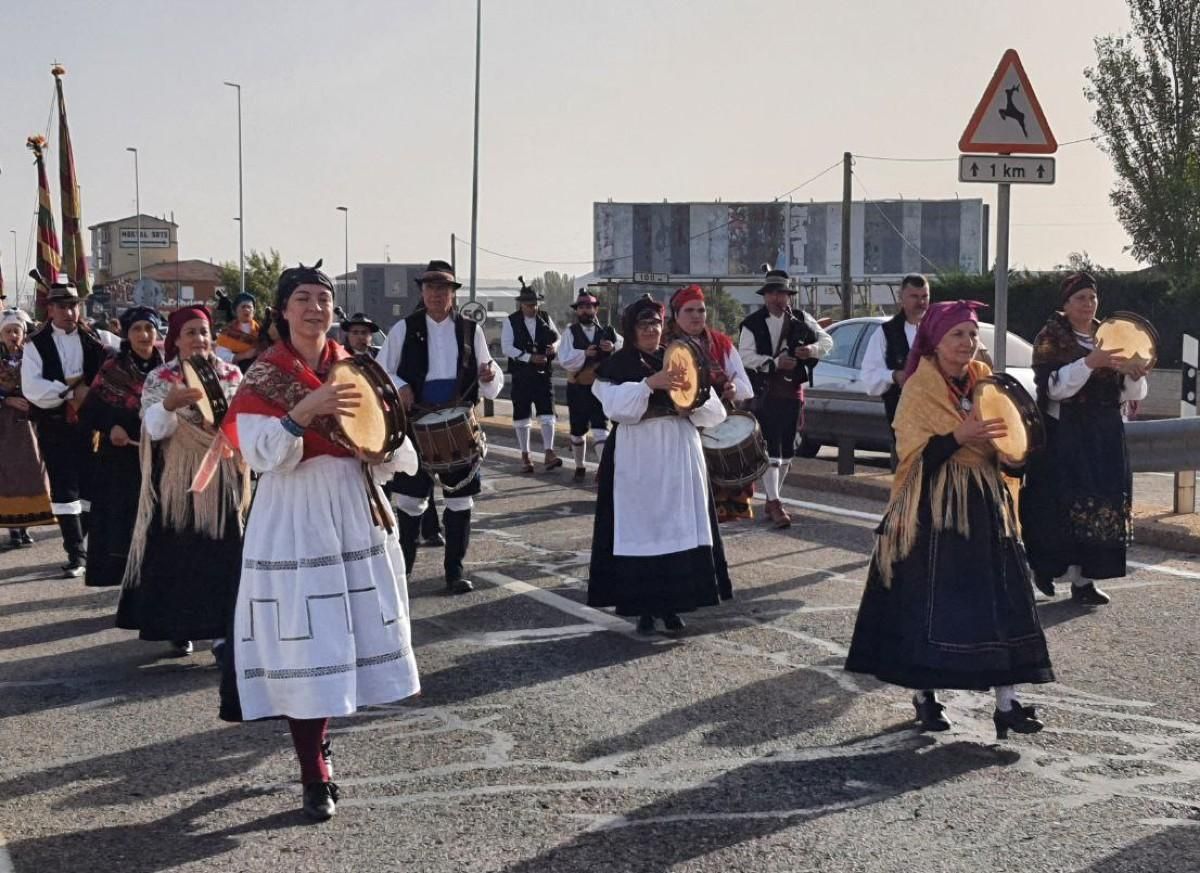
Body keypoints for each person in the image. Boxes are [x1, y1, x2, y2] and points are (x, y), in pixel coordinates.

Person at [221, 261, 421, 822]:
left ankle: (321, 746)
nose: (315, 308)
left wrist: (378, 452)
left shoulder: (357, 369)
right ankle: (314, 768)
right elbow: (258, 454)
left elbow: (391, 445)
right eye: (303, 299)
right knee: (307, 644)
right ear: (283, 311)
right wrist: (304, 411)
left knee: (343, 638)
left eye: (323, 299)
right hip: (295, 512)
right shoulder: (263, 376)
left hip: (353, 508)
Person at [844, 301, 1054, 740]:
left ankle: (1007, 701)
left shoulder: (986, 380)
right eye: (957, 335)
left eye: (972, 335)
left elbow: (1011, 440)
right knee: (930, 601)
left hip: (985, 499)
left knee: (1002, 597)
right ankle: (925, 695)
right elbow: (912, 452)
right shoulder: (919, 388)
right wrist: (962, 435)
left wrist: (1010, 449)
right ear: (936, 342)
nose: (967, 343)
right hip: (934, 506)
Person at [587, 295, 732, 636]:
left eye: (654, 323)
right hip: (638, 456)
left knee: (676, 526)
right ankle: (645, 610)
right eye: (643, 324)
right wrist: (650, 384)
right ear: (631, 329)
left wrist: (690, 407)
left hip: (680, 452)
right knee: (644, 528)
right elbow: (616, 409)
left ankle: (673, 606)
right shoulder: (615, 367)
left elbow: (715, 411)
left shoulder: (681, 358)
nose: (650, 330)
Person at [116, 306, 247, 657]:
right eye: (191, 333)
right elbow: (153, 430)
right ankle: (180, 626)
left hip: (221, 477)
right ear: (175, 339)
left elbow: (245, 422)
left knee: (224, 554)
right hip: (179, 478)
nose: (199, 339)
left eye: (204, 332)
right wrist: (169, 406)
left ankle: (223, 632)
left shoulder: (231, 373)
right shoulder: (161, 378)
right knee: (180, 554)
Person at [1019, 272, 1150, 605]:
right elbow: (1053, 388)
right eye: (1080, 298)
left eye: (1092, 297)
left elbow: (1129, 394)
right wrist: (1090, 362)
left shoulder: (1111, 335)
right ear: (1065, 304)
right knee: (1061, 505)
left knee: (1102, 502)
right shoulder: (1051, 337)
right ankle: (1046, 570)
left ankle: (1085, 580)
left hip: (1104, 433)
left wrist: (1134, 375)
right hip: (1065, 435)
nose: (1088, 304)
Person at [378, 259, 504, 594]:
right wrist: (399, 384)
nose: (437, 294)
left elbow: (489, 373)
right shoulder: (404, 328)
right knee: (409, 501)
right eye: (431, 287)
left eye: (443, 288)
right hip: (416, 424)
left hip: (458, 422)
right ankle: (403, 571)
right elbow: (381, 372)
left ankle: (455, 571)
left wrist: (490, 375)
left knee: (460, 500)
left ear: (452, 294)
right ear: (422, 291)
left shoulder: (469, 329)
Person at [21, 275, 110, 577]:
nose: (69, 312)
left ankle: (81, 544)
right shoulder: (36, 344)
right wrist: (70, 392)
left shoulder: (94, 340)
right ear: (50, 309)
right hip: (55, 424)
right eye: (62, 306)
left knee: (89, 486)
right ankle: (75, 553)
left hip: (88, 426)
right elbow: (32, 387)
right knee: (64, 486)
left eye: (73, 305)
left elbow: (112, 371)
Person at [736, 267, 833, 528]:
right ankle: (775, 501)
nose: (778, 298)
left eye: (782, 293)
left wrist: (809, 350)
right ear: (765, 296)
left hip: (793, 393)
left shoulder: (802, 318)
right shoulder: (752, 324)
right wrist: (774, 362)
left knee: (788, 452)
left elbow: (826, 342)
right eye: (773, 293)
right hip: (766, 392)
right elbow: (744, 356)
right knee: (772, 449)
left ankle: (771, 498)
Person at [78, 306, 163, 587]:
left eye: (148, 328)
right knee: (123, 524)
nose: (144, 334)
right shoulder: (114, 368)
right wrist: (111, 425)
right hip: (121, 460)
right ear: (127, 334)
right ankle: (128, 584)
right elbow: (89, 410)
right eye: (137, 329)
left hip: (159, 457)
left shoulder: (167, 369)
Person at [667, 284, 755, 520]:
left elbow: (746, 389)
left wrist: (733, 389)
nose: (697, 316)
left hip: (714, 427)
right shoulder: (663, 345)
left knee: (710, 517)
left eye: (701, 310)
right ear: (675, 315)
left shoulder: (721, 343)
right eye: (689, 310)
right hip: (677, 427)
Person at [0, 308, 54, 547]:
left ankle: (25, 524)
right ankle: (12, 527)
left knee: (31, 472)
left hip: (29, 424)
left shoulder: (31, 358)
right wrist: (6, 400)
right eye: (8, 331)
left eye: (16, 331)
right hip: (4, 425)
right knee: (8, 474)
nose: (13, 335)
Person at [556, 290, 622, 482]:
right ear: (577, 311)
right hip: (578, 387)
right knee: (577, 431)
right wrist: (584, 353)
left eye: (589, 307)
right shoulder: (570, 332)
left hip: (600, 387)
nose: (585, 311)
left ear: (595, 309)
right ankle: (579, 465)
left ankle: (603, 470)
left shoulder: (607, 332)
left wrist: (612, 348)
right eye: (582, 307)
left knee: (601, 427)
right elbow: (565, 359)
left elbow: (624, 349)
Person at [501, 277, 561, 473]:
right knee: (522, 416)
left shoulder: (545, 317)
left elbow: (558, 337)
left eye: (535, 304)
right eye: (529, 305)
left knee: (547, 414)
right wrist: (528, 358)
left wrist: (554, 347)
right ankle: (525, 455)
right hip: (522, 374)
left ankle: (549, 452)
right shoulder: (511, 321)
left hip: (544, 374)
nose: (533, 308)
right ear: (521, 304)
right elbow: (507, 347)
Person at [861, 273, 931, 429]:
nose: (920, 302)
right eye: (914, 296)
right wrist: (893, 375)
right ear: (901, 297)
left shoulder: (940, 329)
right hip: (903, 414)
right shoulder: (886, 332)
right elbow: (869, 377)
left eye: (925, 296)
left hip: (938, 413)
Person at [215, 291, 261, 371]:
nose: (247, 310)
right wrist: (244, 355)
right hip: (234, 374)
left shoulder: (261, 332)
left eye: (249, 307)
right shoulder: (227, 332)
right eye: (243, 307)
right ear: (236, 311)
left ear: (254, 311)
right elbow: (220, 356)